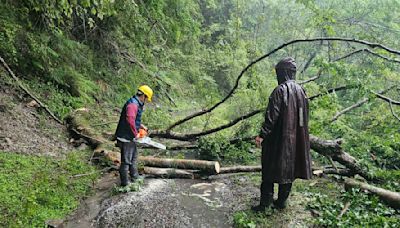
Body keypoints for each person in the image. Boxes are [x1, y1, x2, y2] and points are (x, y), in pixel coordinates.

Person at [253, 57, 312, 211]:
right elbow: (303, 118)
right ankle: (281, 202)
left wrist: (262, 135)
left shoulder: (280, 91)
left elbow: (272, 116)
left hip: (277, 140)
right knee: (288, 169)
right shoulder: (301, 91)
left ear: (283, 73)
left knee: (269, 169)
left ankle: (265, 204)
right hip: (294, 140)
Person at [115, 85, 153, 186]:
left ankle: (135, 177)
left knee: (134, 158)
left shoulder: (136, 103)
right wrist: (135, 133)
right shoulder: (133, 104)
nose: (146, 101)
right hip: (126, 137)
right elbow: (130, 120)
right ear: (144, 96)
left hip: (130, 136)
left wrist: (141, 126)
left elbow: (134, 119)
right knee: (126, 161)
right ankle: (125, 183)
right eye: (146, 98)